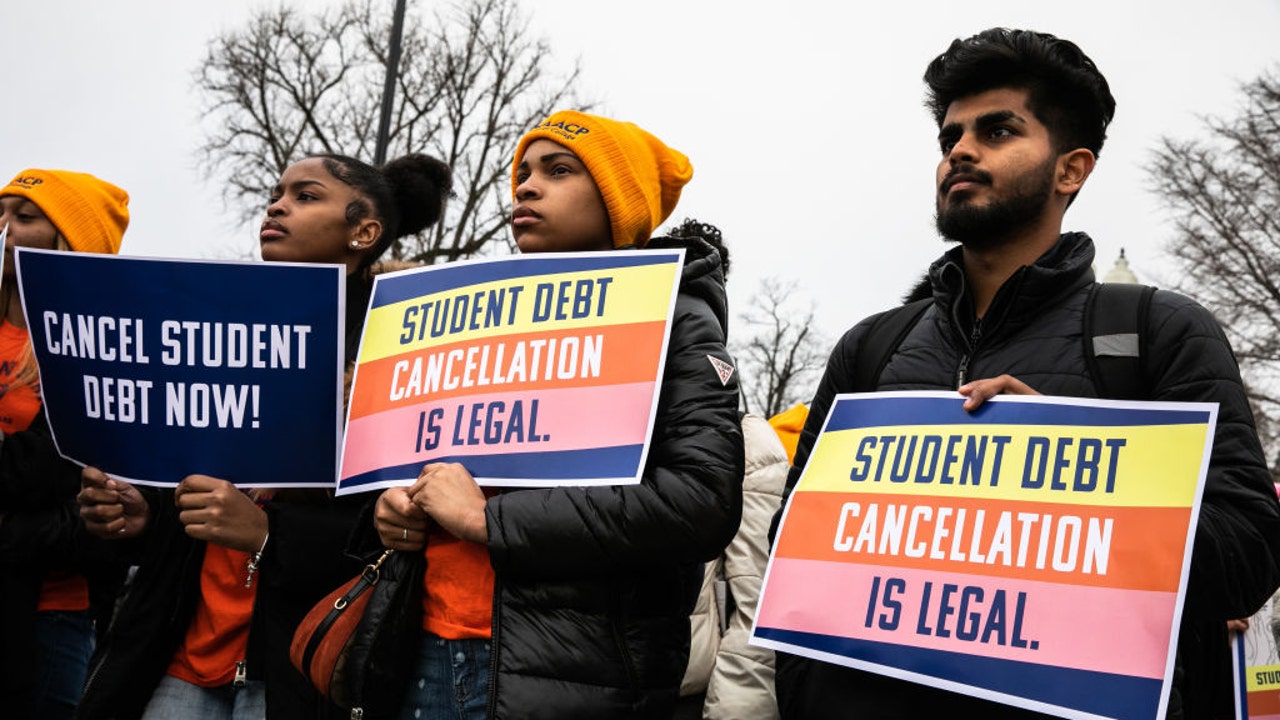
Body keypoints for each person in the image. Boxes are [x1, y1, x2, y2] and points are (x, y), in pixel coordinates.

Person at [772, 28, 1280, 720]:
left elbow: (1250, 554)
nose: (960, 150)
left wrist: (1074, 462)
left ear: (1071, 170)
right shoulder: (870, 348)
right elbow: (793, 548)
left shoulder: (1158, 333)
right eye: (950, 136)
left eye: (998, 130)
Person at [369, 110, 744, 719]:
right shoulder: (475, 314)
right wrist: (395, 508)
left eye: (558, 170)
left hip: (571, 677)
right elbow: (424, 463)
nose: (526, 187)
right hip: (422, 649)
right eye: (522, 173)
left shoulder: (677, 320)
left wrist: (488, 519)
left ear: (618, 203)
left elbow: (699, 502)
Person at [75, 153, 451, 720]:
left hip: (300, 664)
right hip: (182, 654)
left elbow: (397, 523)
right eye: (276, 194)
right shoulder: (213, 326)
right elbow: (192, 482)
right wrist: (145, 514)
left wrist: (269, 535)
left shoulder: (401, 350)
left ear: (364, 232)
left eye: (306, 196)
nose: (277, 206)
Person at [0, 168, 131, 720]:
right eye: (1, 214)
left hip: (48, 614)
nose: (4, 227)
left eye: (25, 216)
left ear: (70, 243)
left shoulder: (102, 355)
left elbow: (48, 478)